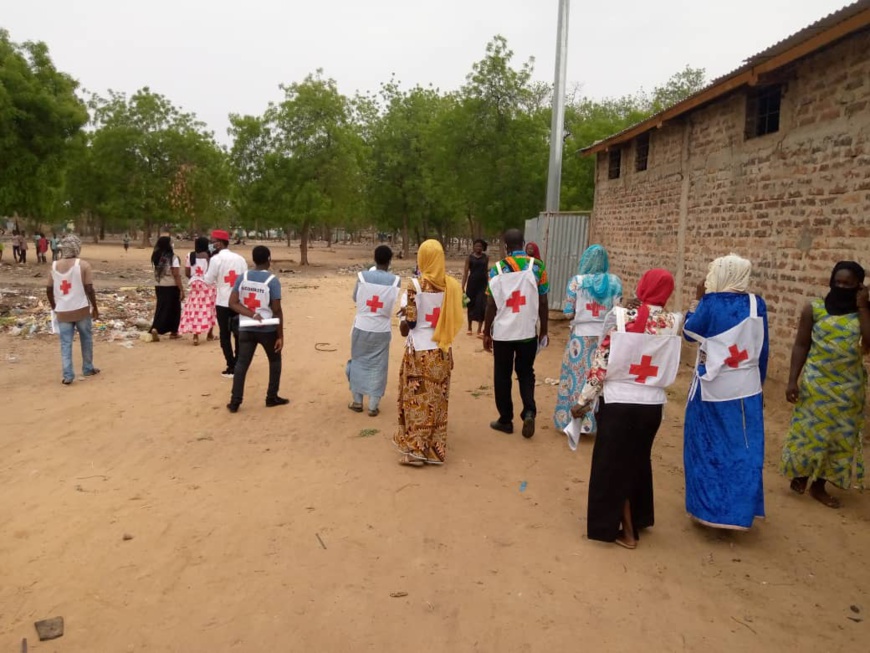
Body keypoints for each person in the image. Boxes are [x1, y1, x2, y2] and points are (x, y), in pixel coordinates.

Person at [571, 269, 683, 549]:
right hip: (653, 405)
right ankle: (641, 517)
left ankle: (627, 532)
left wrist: (583, 401)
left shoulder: (623, 317)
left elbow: (601, 363)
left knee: (612, 468)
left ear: (642, 286)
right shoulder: (674, 321)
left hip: (620, 402)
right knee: (637, 462)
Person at [682, 255, 769, 530]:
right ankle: (741, 511)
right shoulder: (758, 303)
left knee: (706, 445)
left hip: (713, 386)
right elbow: (762, 347)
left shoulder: (711, 303)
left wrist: (696, 302)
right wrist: (760, 383)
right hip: (747, 386)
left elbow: (689, 332)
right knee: (744, 447)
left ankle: (708, 510)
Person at [781, 261, 870, 508]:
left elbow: (869, 342)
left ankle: (820, 485)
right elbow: (801, 345)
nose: (841, 287)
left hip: (848, 390)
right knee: (808, 433)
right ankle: (800, 475)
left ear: (858, 286)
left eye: (848, 284)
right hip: (816, 384)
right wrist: (792, 380)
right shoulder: (815, 309)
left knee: (838, 438)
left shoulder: (863, 313)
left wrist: (863, 306)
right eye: (838, 282)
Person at [393, 239, 463, 466]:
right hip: (442, 351)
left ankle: (416, 451)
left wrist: (403, 315)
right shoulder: (451, 286)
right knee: (437, 402)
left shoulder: (415, 285)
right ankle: (434, 451)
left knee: (417, 401)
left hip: (420, 354)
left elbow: (409, 326)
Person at [483, 229, 549, 438]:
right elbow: (544, 301)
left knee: (502, 376)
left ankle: (505, 420)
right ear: (523, 243)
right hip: (527, 331)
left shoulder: (497, 269)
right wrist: (544, 330)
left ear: (505, 246)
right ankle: (529, 411)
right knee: (526, 373)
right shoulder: (537, 267)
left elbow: (491, 304)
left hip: (503, 333)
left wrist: (486, 332)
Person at [554, 245, 623, 444]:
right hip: (605, 339)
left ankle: (572, 422)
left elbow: (568, 312)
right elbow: (617, 311)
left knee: (576, 377)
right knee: (599, 379)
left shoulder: (577, 282)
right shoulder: (615, 282)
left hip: (580, 339)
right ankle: (594, 424)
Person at [227, 245, 288, 411]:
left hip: (246, 327)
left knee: (241, 364)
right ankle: (271, 397)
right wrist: (280, 335)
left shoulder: (243, 277)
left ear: (253, 259)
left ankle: (235, 401)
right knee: (275, 361)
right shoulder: (272, 281)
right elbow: (276, 310)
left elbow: (232, 303)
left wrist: (251, 314)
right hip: (267, 328)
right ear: (269, 259)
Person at [347, 245, 401, 417]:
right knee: (379, 366)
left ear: (375, 258)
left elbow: (356, 297)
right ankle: (373, 405)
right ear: (390, 260)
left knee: (358, 362)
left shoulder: (362, 276)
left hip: (361, 326)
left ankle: (357, 401)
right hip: (382, 329)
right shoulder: (395, 280)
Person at [46, 234, 100, 384]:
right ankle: (88, 368)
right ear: (77, 247)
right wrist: (95, 307)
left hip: (63, 311)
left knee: (65, 343)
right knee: (86, 339)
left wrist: (55, 307)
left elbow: (49, 290)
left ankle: (68, 375)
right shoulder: (83, 265)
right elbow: (89, 288)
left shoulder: (54, 265)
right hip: (81, 309)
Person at [204, 229, 248, 378]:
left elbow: (208, 280)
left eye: (213, 241)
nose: (211, 244)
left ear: (220, 243)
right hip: (238, 302)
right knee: (239, 334)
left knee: (225, 335)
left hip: (223, 302)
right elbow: (245, 280)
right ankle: (239, 363)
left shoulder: (216, 260)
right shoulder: (240, 259)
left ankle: (231, 365)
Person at [178, 236, 217, 346]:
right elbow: (212, 272)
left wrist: (194, 278)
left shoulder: (190, 255)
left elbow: (187, 272)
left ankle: (196, 336)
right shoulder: (209, 256)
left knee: (195, 309)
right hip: (208, 285)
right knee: (209, 308)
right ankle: (210, 334)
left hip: (195, 284)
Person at [148, 236, 185, 340]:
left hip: (159, 286)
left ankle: (156, 327)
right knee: (174, 309)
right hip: (171, 286)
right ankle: (173, 332)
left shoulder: (156, 256)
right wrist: (181, 289)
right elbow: (176, 274)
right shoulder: (173, 258)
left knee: (161, 308)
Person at [461, 239, 489, 338]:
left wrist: (489, 285)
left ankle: (479, 329)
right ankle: (469, 327)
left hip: (483, 285)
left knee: (482, 306)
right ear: (473, 247)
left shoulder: (486, 257)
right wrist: (462, 286)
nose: (478, 248)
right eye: (476, 246)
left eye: (480, 246)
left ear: (483, 248)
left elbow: (486, 271)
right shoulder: (469, 258)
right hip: (472, 284)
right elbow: (465, 272)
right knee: (470, 305)